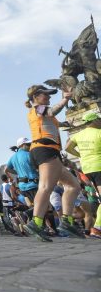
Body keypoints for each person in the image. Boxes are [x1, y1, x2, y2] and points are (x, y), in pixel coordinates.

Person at [23, 85, 84, 240]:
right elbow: (51, 111)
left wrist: (71, 124)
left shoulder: (44, 113)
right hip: (44, 150)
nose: (49, 97)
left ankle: (67, 221)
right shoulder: (37, 109)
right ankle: (35, 222)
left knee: (73, 186)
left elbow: (54, 123)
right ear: (35, 97)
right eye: (46, 95)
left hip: (51, 151)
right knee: (46, 187)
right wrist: (65, 99)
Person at [65, 110, 101, 238]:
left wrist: (80, 155)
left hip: (87, 168)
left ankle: (97, 228)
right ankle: (97, 228)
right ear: (95, 120)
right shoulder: (99, 132)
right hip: (99, 166)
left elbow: (67, 148)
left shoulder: (79, 135)